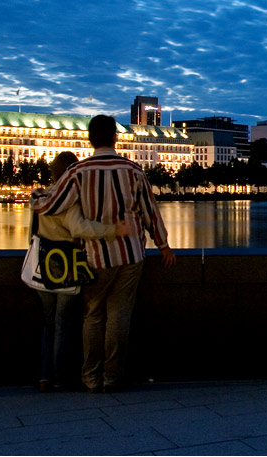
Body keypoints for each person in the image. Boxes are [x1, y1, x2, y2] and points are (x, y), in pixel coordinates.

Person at [31, 115, 177, 393]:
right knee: (120, 315)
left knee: (93, 315)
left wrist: (35, 197)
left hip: (95, 256)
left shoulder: (78, 172)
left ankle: (90, 376)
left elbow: (51, 205)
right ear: (115, 137)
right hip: (131, 254)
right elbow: (150, 213)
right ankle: (113, 377)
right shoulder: (133, 170)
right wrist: (163, 245)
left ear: (89, 139)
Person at [31, 151, 131, 392]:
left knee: (47, 323)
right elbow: (80, 228)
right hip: (65, 266)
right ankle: (61, 378)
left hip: (40, 265)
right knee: (63, 322)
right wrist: (113, 230)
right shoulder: (69, 201)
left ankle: (44, 376)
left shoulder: (39, 197)